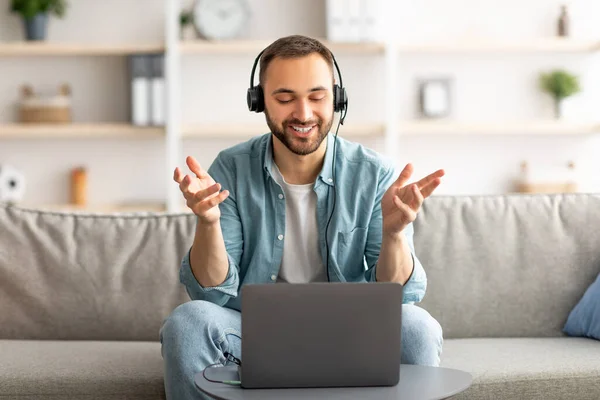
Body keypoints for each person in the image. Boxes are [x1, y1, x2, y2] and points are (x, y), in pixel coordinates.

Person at [159, 34, 445, 400]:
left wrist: (393, 235)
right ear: (259, 101)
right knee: (188, 321)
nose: (304, 113)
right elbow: (209, 293)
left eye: (317, 96)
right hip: (254, 337)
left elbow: (399, 296)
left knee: (417, 326)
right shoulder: (230, 168)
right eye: (284, 98)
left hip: (352, 334)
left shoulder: (376, 174)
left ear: (337, 99)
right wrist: (208, 223)